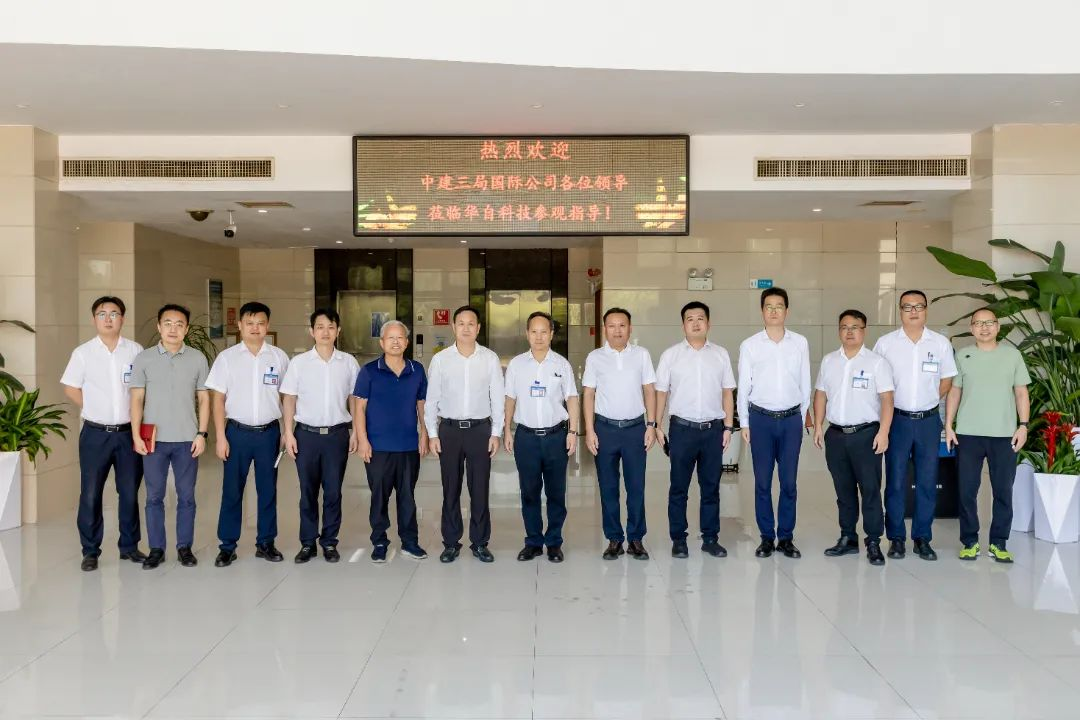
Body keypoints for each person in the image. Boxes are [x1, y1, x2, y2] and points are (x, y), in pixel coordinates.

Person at [61, 296, 146, 571]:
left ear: (123, 318)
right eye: (102, 314)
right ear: (94, 319)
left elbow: (142, 389)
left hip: (128, 433)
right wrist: (93, 407)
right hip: (95, 434)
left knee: (129, 492)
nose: (108, 319)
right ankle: (90, 550)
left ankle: (129, 547)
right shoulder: (83, 353)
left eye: (114, 314)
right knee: (91, 493)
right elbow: (71, 387)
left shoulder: (135, 351)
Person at [873, 290, 957, 561]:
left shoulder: (940, 343)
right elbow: (877, 383)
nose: (913, 311)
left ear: (926, 310)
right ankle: (896, 538)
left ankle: (922, 538)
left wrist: (928, 400)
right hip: (896, 421)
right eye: (907, 307)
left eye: (918, 306)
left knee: (927, 481)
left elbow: (947, 380)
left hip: (928, 422)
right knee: (895, 481)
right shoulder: (885, 344)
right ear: (900, 311)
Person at [206, 301, 290, 567]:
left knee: (268, 490)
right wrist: (220, 437)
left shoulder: (279, 357)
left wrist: (287, 431)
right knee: (232, 491)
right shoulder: (227, 358)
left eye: (260, 323)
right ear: (240, 325)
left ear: (268, 326)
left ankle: (266, 543)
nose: (255, 328)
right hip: (236, 433)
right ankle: (227, 546)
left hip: (269, 433)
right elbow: (218, 400)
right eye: (250, 323)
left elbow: (287, 397)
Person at [945, 307, 1031, 563]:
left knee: (1003, 491)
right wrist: (948, 425)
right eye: (978, 323)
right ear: (972, 328)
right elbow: (955, 392)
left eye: (989, 322)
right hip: (968, 435)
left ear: (998, 327)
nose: (984, 328)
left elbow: (1021, 392)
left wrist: (1023, 425)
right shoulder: (963, 355)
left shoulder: (1012, 355)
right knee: (966, 491)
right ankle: (970, 542)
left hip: (1004, 435)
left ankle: (998, 542)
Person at [129, 304, 210, 570]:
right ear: (159, 327)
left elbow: (204, 399)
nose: (173, 329)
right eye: (167, 323)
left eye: (179, 324)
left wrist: (202, 433)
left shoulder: (198, 358)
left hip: (187, 438)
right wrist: (135, 435)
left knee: (187, 497)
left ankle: (184, 547)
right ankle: (156, 549)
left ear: (186, 329)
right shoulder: (144, 359)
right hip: (153, 439)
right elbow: (136, 399)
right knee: (154, 497)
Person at [813, 309, 895, 566]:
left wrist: (884, 432)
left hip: (866, 435)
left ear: (864, 330)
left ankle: (873, 541)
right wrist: (818, 426)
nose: (849, 332)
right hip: (836, 435)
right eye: (844, 327)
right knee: (843, 491)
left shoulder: (876, 363)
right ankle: (848, 537)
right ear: (839, 331)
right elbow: (820, 394)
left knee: (870, 490)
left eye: (855, 327)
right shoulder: (829, 361)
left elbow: (887, 399)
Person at [654, 301, 735, 559]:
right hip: (682, 430)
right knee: (679, 488)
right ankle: (679, 539)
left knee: (711, 487)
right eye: (690, 319)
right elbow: (661, 393)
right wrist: (656, 425)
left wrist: (728, 426)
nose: (696, 323)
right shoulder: (671, 356)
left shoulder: (720, 354)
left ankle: (710, 538)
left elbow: (727, 393)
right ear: (683, 325)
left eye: (700, 318)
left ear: (708, 323)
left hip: (713, 430)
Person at [425, 306, 504, 563]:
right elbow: (431, 399)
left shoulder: (490, 359)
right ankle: (450, 542)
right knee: (451, 488)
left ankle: (480, 542)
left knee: (479, 488)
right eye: (461, 323)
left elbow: (498, 398)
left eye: (471, 323)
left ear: (478, 328)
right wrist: (432, 433)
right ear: (453, 327)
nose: (466, 328)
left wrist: (496, 432)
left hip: (480, 430)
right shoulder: (441, 360)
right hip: (449, 430)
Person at [280, 309, 360, 564]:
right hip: (306, 435)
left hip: (337, 435)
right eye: (320, 327)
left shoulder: (348, 362)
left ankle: (329, 542)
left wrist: (356, 432)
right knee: (308, 491)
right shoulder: (299, 363)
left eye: (331, 327)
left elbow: (355, 399)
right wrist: (288, 433)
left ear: (338, 331)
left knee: (333, 491)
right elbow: (289, 398)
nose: (326, 332)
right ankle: (307, 543)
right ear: (311, 331)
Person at [738, 288, 811, 559]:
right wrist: (745, 423)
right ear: (762, 311)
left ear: (787, 311)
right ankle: (767, 537)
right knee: (763, 482)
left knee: (789, 482)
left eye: (779, 306)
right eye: (768, 306)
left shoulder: (800, 343)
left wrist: (801, 417)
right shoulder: (750, 345)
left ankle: (786, 538)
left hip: (791, 420)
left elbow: (805, 382)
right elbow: (743, 386)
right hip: (761, 420)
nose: (773, 311)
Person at [582, 307, 658, 560]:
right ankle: (614, 538)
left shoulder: (641, 355)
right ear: (605, 329)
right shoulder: (595, 357)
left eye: (622, 325)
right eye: (612, 326)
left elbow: (649, 390)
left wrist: (651, 425)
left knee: (636, 487)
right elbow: (589, 394)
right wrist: (590, 430)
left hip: (635, 429)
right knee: (608, 487)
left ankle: (636, 538)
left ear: (630, 328)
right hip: (605, 430)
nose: (617, 331)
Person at [503, 311, 579, 563]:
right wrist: (507, 430)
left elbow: (572, 398)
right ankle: (533, 541)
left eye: (544, 331)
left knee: (556, 493)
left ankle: (554, 542)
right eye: (534, 331)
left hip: (556, 436)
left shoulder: (561, 364)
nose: (538, 337)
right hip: (526, 438)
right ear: (527, 334)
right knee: (529, 492)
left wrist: (573, 431)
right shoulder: (517, 365)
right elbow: (510, 398)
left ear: (551, 334)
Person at [354, 320, 430, 563]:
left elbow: (422, 405)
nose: (396, 342)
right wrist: (362, 440)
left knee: (407, 496)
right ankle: (379, 541)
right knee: (379, 496)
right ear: (382, 342)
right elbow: (359, 408)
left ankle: (410, 542)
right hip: (378, 447)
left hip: (408, 446)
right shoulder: (369, 371)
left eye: (400, 338)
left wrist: (425, 433)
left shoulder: (417, 370)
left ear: (407, 342)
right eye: (391, 338)